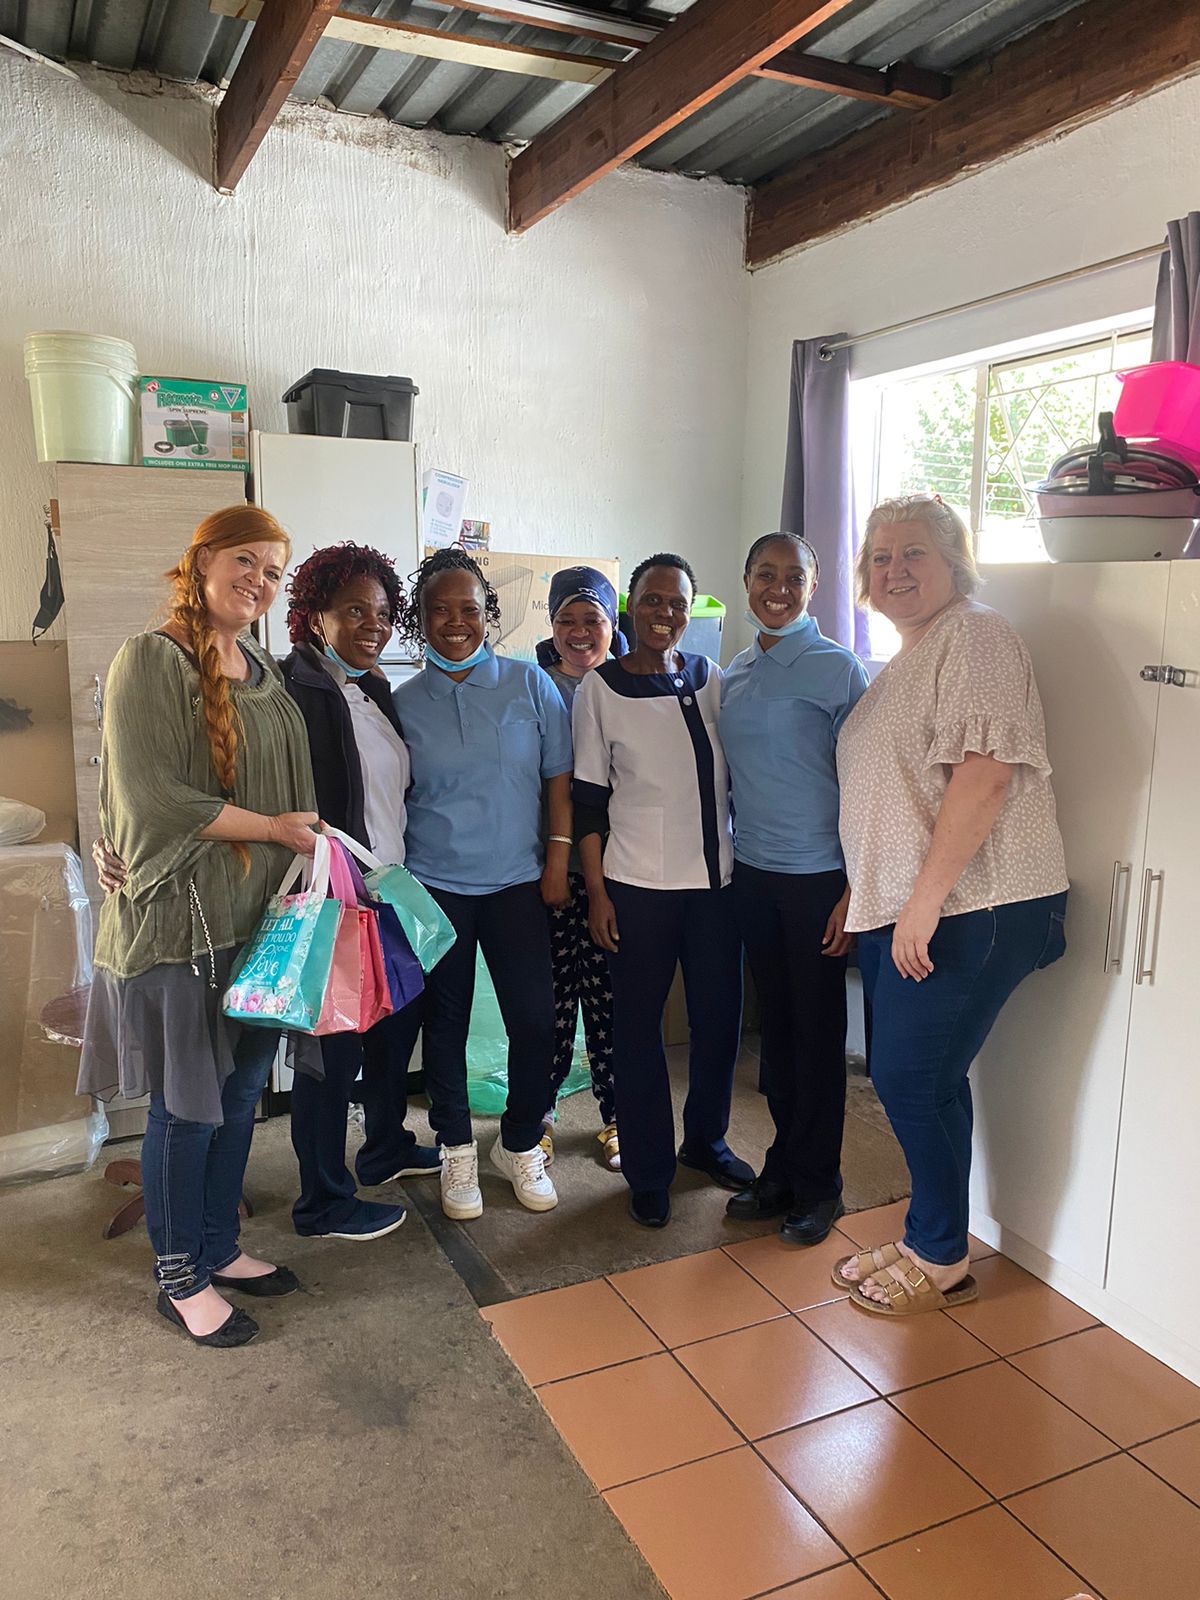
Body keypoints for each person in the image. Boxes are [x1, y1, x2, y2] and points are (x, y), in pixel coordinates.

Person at [78, 506, 319, 1348]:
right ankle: (178, 1275)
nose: (259, 580)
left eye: (274, 571)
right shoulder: (149, 659)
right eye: (246, 560)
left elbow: (286, 784)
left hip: (257, 928)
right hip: (181, 931)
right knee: (188, 1111)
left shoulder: (263, 669)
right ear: (204, 559)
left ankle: (217, 1245)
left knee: (241, 1097)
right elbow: (150, 798)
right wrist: (275, 829)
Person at [833, 493, 1069, 1316]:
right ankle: (930, 1234)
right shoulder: (907, 657)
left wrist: (923, 905)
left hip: (975, 903)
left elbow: (985, 776)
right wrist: (870, 893)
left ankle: (939, 1254)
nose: (894, 570)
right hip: (909, 905)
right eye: (880, 557)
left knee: (907, 1080)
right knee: (927, 1081)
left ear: (954, 563)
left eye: (914, 553)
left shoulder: (975, 635)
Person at [572, 553, 752, 1229]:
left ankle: (705, 1142)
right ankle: (648, 1171)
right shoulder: (602, 690)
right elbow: (588, 802)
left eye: (677, 603)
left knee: (718, 1024)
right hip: (637, 890)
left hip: (715, 891)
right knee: (637, 1033)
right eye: (652, 600)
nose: (664, 614)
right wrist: (597, 893)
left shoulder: (711, 678)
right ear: (631, 606)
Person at [392, 549, 572, 1220]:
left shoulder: (530, 685)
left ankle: (519, 1141)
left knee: (535, 1019)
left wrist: (557, 860)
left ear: (487, 614)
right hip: (436, 884)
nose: (455, 622)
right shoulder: (403, 703)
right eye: (439, 610)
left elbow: (558, 779)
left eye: (468, 608)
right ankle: (457, 1149)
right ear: (419, 619)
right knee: (446, 1024)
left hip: (517, 882)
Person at [280, 543, 439, 1241]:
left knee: (393, 1030)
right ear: (315, 615)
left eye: (380, 612)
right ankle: (322, 1201)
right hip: (332, 897)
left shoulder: (372, 689)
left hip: (389, 889)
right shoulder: (291, 689)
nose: (371, 625)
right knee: (332, 1053)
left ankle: (384, 1148)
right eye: (353, 611)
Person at [720, 533, 870, 1245]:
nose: (777, 589)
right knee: (775, 1037)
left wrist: (855, 888)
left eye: (793, 577)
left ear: (813, 587)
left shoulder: (839, 670)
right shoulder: (736, 670)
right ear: (746, 580)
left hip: (819, 882)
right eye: (765, 574)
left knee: (815, 1036)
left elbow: (869, 789)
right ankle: (781, 1167)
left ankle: (819, 1185)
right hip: (753, 877)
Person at [533, 566, 626, 1173]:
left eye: (591, 618)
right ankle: (537, 1118)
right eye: (565, 618)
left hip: (620, 874)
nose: (578, 631)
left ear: (612, 624)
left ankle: (618, 1116)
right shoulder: (533, 687)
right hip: (548, 871)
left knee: (611, 1003)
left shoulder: (630, 686)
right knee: (550, 1003)